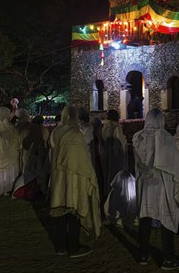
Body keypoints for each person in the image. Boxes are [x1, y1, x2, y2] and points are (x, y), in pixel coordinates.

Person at [132, 108, 179, 270]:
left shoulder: (138, 137)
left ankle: (143, 254)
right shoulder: (165, 138)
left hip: (145, 185)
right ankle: (168, 258)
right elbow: (173, 164)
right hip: (162, 185)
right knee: (166, 219)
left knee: (145, 218)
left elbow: (137, 164)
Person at [49, 106, 101, 258]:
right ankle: (73, 246)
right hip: (75, 178)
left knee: (60, 210)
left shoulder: (55, 132)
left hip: (59, 178)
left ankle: (61, 246)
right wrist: (91, 177)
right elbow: (82, 160)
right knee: (74, 210)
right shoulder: (76, 135)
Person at [101, 109, 128, 193]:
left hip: (106, 155)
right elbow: (122, 142)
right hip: (116, 156)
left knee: (107, 174)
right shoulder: (116, 127)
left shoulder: (105, 127)